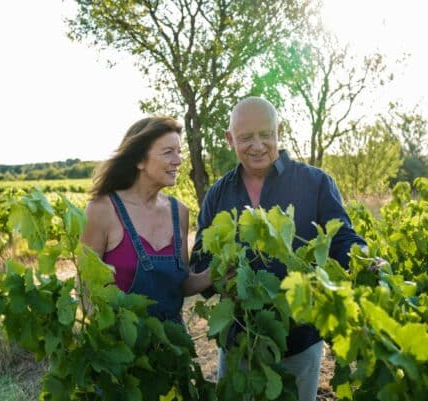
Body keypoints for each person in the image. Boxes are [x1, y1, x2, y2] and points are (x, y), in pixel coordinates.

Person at [190, 97, 368, 401]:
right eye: (246, 137)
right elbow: (200, 262)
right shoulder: (218, 194)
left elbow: (343, 241)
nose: (257, 145)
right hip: (238, 342)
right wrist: (222, 274)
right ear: (229, 139)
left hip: (300, 341)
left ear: (279, 132)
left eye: (265, 134)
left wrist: (364, 259)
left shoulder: (315, 183)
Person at [81, 116, 213, 323]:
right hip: (121, 346)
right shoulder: (102, 210)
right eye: (168, 152)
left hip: (171, 346)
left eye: (179, 152)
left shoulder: (179, 212)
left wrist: (214, 273)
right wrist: (108, 338)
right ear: (139, 160)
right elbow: (85, 289)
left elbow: (181, 283)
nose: (178, 161)